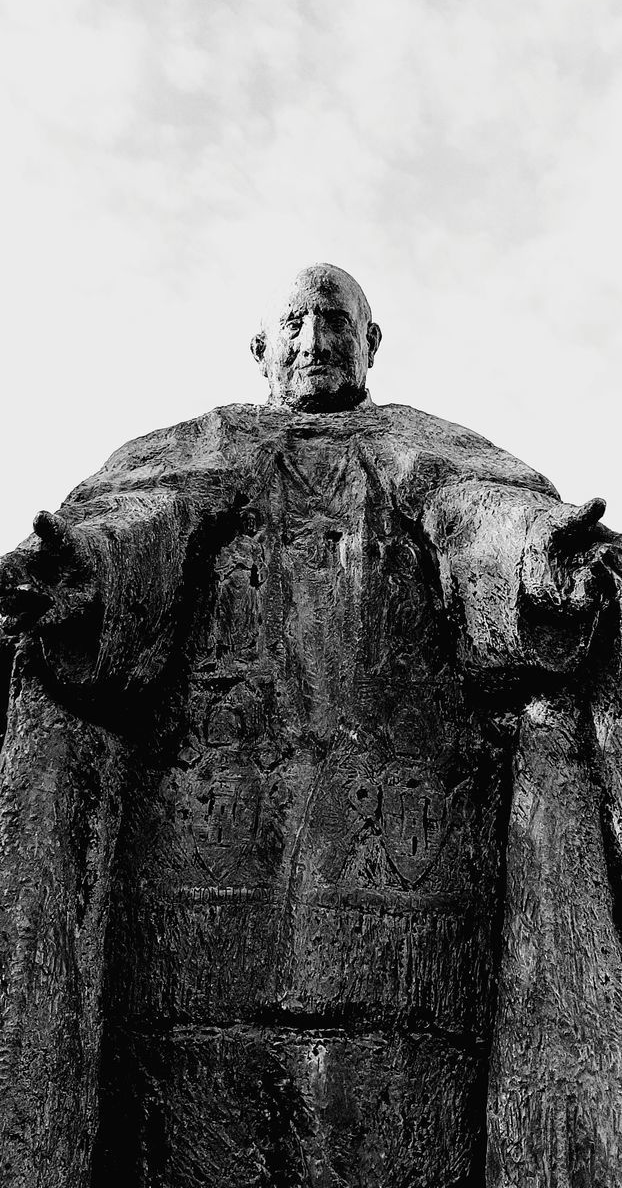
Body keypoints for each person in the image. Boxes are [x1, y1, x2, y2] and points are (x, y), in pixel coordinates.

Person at [0, 263, 621, 1187]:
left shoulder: (427, 446)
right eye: (293, 324)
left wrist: (545, 561)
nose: (313, 341)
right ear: (258, 350)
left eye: (336, 323)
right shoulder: (202, 445)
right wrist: (78, 576)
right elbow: (132, 525)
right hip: (200, 907)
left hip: (418, 913)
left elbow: (490, 518)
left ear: (373, 345)